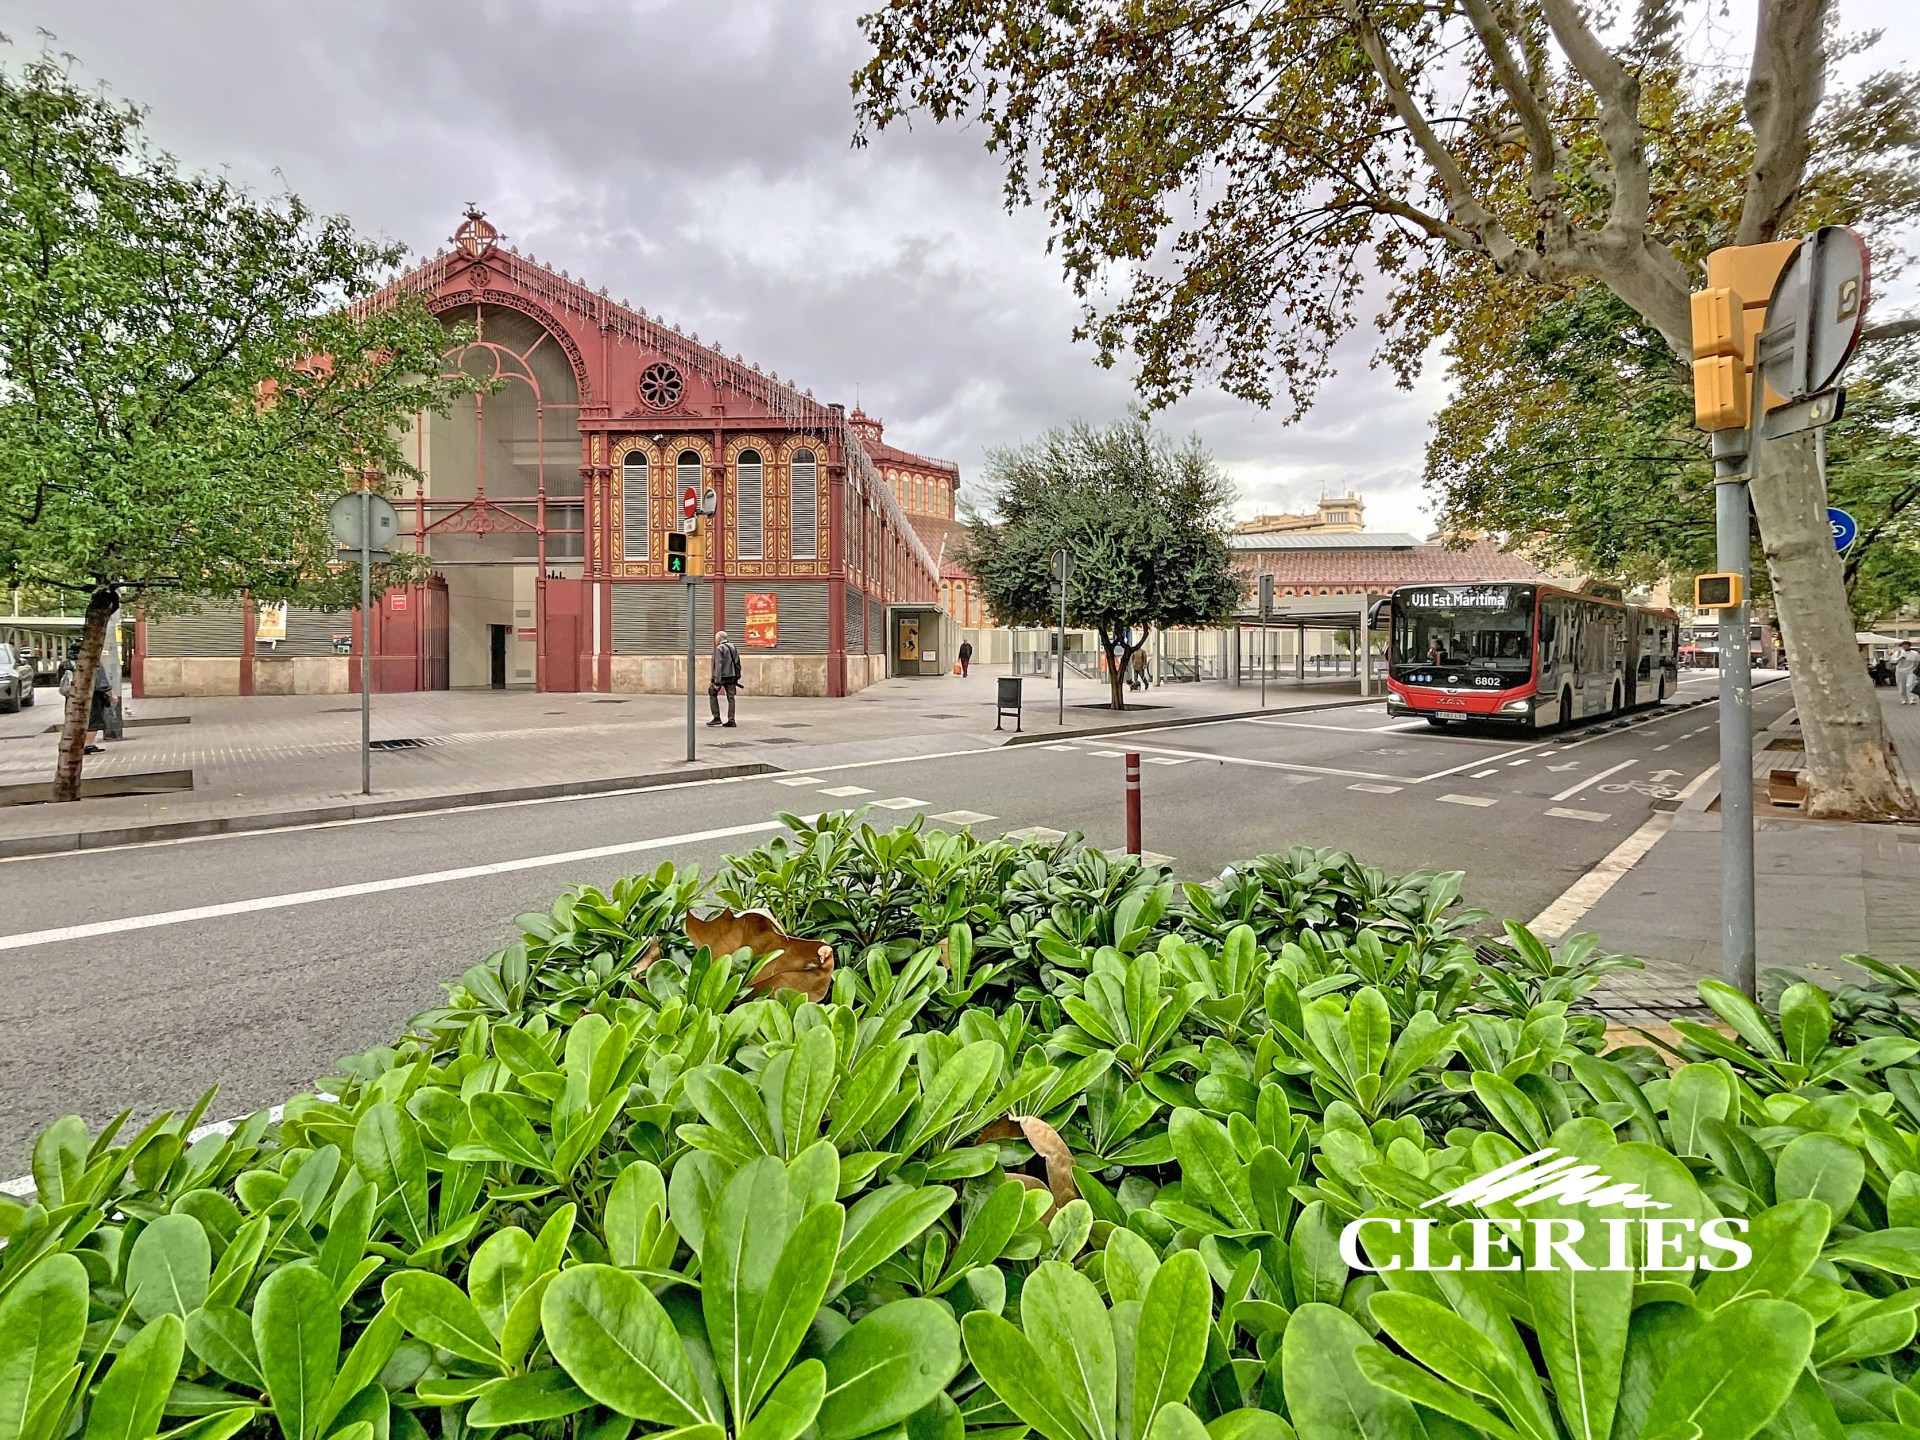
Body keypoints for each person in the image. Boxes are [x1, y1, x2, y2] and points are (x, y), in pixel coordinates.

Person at [707, 629, 742, 727]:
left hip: (722, 677)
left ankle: (716, 717)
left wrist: (716, 682)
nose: (715, 640)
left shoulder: (720, 648)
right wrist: (737, 676)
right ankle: (731, 719)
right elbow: (737, 662)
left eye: (716, 638)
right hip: (732, 677)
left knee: (712, 692)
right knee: (731, 698)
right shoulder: (733, 647)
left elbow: (718, 665)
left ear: (719, 638)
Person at [1897, 641, 1920, 707]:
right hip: (1900, 671)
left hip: (1910, 671)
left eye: (1906, 645)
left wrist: (1916, 671)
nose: (1905, 646)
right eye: (1903, 645)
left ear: (1909, 646)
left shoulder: (1915, 653)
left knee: (1909, 685)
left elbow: (1918, 662)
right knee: (1902, 686)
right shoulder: (1898, 653)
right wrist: (1899, 658)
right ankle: (1904, 699)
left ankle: (1912, 699)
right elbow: (1893, 661)